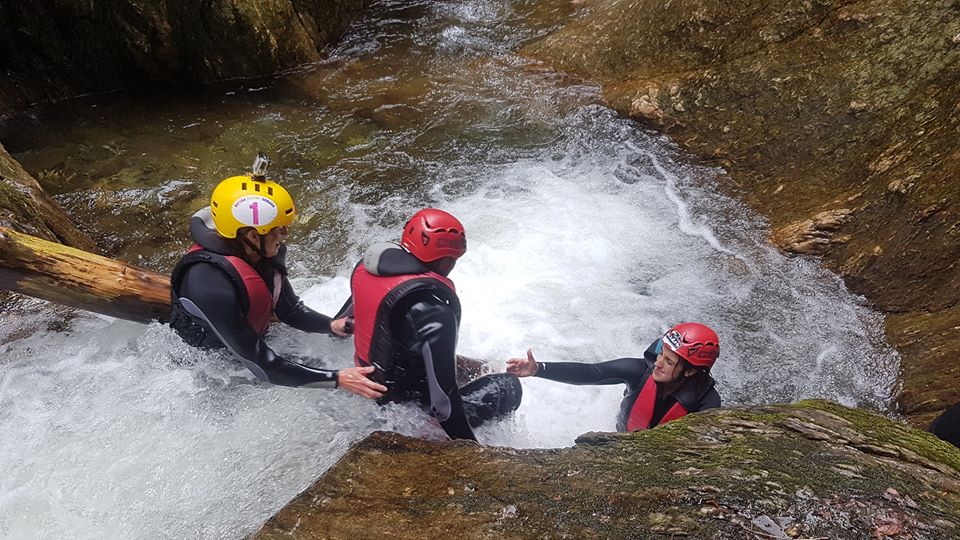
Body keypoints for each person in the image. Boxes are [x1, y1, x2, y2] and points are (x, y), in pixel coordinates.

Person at [168, 154, 386, 399]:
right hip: (208, 371)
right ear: (252, 236)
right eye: (279, 229)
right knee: (332, 393)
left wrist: (329, 326)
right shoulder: (208, 283)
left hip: (250, 347)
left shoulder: (263, 250)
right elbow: (263, 367)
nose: (285, 234)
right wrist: (338, 379)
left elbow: (288, 310)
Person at [347, 208, 521, 441]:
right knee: (508, 386)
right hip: (408, 413)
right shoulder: (435, 313)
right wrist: (473, 453)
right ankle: (432, 434)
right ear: (450, 258)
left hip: (368, 382)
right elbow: (444, 405)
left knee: (474, 366)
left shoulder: (367, 268)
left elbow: (347, 323)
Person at [506, 322, 722, 431]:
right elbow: (591, 372)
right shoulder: (638, 371)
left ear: (690, 371)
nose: (658, 363)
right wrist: (538, 369)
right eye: (661, 355)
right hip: (622, 444)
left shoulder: (707, 402)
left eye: (668, 362)